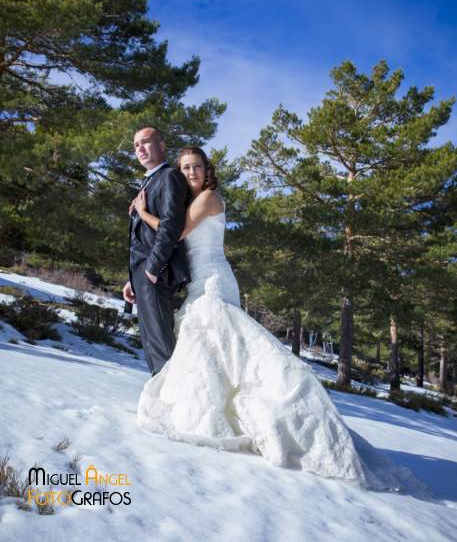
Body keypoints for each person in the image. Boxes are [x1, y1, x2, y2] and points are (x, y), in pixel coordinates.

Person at [135, 147, 425, 492]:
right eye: (185, 168)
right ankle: (214, 409)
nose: (191, 172)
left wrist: (141, 211)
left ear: (206, 169)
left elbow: (176, 231)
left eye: (196, 166)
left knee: (219, 336)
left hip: (213, 278)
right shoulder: (191, 200)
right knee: (214, 348)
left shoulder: (210, 198)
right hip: (199, 279)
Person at [123, 126, 191, 377]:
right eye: (136, 145)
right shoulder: (148, 182)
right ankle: (165, 407)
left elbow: (171, 228)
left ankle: (174, 410)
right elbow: (144, 238)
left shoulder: (170, 177)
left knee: (162, 355)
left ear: (162, 146)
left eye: (145, 142)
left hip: (156, 275)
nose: (139, 148)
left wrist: (151, 271)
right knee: (153, 352)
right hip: (144, 276)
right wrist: (132, 279)